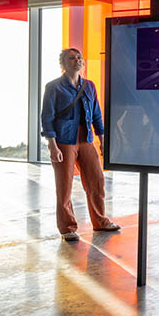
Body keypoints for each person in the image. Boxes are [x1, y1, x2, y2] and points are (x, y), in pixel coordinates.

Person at [40, 48, 120, 243]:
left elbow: (96, 114)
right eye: (71, 58)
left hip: (86, 139)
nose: (77, 60)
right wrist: (52, 145)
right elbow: (47, 117)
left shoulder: (89, 86)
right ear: (63, 64)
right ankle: (67, 228)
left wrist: (102, 139)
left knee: (96, 180)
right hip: (63, 141)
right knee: (64, 186)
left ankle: (100, 221)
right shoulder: (53, 87)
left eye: (79, 58)